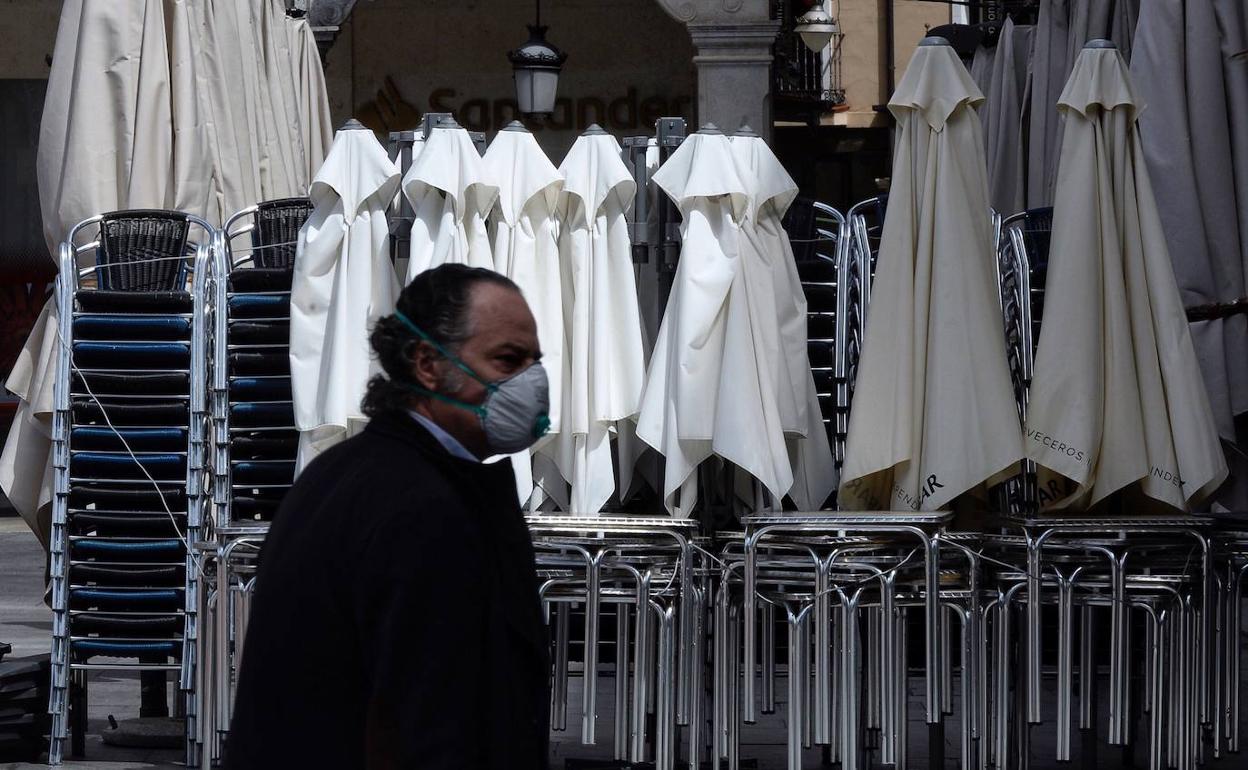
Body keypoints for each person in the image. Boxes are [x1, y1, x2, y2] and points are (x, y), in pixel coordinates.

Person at [225, 264, 551, 769]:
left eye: (534, 363)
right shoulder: (425, 508)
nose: (531, 383)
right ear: (427, 363)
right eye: (507, 361)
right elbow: (427, 721)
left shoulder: (338, 473)